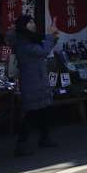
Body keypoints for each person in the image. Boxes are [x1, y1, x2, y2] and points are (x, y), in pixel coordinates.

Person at [13, 15, 59, 156]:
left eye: (33, 21)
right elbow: (42, 51)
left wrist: (53, 36)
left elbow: (45, 44)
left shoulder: (31, 38)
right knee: (31, 112)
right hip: (31, 80)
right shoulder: (22, 41)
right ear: (23, 25)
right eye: (30, 22)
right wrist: (51, 36)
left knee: (44, 110)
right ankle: (21, 144)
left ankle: (45, 138)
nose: (33, 24)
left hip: (39, 79)